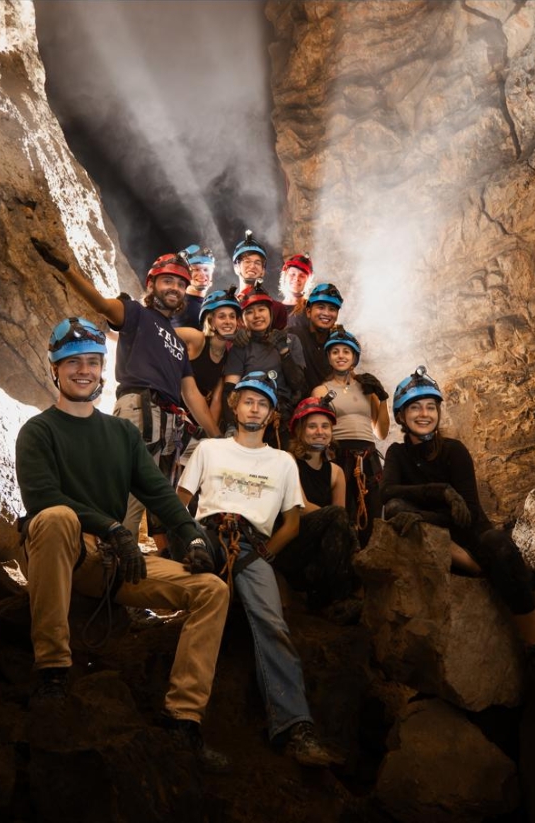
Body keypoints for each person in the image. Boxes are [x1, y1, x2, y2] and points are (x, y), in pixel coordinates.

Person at [15, 317, 230, 770]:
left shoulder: (121, 434)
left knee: (212, 590)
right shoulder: (38, 431)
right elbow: (43, 498)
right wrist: (112, 527)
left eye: (92, 362)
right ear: (55, 368)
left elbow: (158, 493)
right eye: (73, 362)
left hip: (117, 563)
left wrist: (192, 535)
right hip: (67, 553)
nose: (84, 371)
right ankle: (53, 670)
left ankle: (183, 720)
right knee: (54, 519)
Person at [176, 371, 341, 766]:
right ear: (235, 405)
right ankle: (183, 722)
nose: (255, 408)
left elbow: (293, 522)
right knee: (200, 602)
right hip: (209, 532)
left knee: (273, 622)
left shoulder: (282, 462)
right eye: (248, 400)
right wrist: (186, 542)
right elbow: (178, 500)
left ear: (271, 415)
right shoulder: (209, 450)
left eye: (263, 403)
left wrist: (265, 555)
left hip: (252, 544)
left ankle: (295, 728)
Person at [381, 365, 535, 705]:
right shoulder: (398, 454)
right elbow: (387, 494)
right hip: (440, 545)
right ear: (402, 416)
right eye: (415, 407)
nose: (424, 413)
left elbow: (469, 516)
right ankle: (480, 567)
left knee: (499, 547)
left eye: (430, 406)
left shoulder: (455, 451)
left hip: (471, 536)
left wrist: (421, 510)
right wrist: (440, 490)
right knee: (399, 510)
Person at [31, 238, 221, 541]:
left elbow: (192, 394)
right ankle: (114, 560)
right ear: (153, 284)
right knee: (131, 494)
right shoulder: (136, 314)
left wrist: (218, 438)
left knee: (161, 497)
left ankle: (154, 562)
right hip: (140, 409)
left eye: (180, 284)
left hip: (169, 420)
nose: (174, 287)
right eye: (167, 280)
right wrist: (66, 268)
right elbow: (102, 304)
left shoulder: (177, 344)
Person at [273, 395, 362, 623]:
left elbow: (338, 523)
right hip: (292, 543)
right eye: (312, 426)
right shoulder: (287, 461)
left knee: (342, 529)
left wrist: (345, 532)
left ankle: (329, 600)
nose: (319, 431)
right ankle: (341, 597)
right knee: (339, 518)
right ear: (300, 431)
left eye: (325, 426)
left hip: (320, 548)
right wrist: (339, 522)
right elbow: (300, 507)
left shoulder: (336, 472)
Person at [312, 327, 390, 548]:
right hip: (338, 456)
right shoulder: (320, 391)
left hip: (369, 457)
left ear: (354, 357)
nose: (340, 356)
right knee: (343, 515)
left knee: (373, 514)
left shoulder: (367, 389)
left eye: (346, 352)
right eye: (335, 351)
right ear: (328, 357)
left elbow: (381, 433)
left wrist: (382, 398)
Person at [223, 281, 307, 449]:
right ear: (243, 319)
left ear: (270, 312)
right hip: (248, 418)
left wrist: (284, 352)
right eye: (249, 312)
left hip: (281, 420)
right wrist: (231, 425)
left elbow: (299, 384)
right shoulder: (241, 347)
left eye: (261, 310)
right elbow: (229, 389)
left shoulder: (291, 341)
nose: (257, 316)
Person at [174, 286, 241, 430]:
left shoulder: (227, 358)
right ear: (211, 322)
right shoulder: (197, 339)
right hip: (171, 409)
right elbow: (159, 331)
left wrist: (209, 435)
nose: (228, 321)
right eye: (221, 316)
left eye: (232, 316)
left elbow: (216, 400)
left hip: (195, 419)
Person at [287, 283, 344, 391]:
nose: (326, 313)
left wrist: (361, 380)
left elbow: (345, 373)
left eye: (332, 309)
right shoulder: (293, 336)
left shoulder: (337, 342)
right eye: (321, 307)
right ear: (308, 311)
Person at [232, 229, 287, 330]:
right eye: (247, 261)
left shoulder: (277, 309)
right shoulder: (229, 307)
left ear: (263, 271)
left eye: (257, 263)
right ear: (236, 267)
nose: (252, 266)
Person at [171, 244, 216, 330]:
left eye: (206, 270)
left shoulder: (207, 305)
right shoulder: (179, 304)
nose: (202, 274)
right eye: (196, 269)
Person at [278, 253, 314, 324]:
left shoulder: (311, 309)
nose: (297, 278)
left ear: (307, 282)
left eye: (302, 276)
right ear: (285, 277)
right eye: (293, 274)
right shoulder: (274, 309)